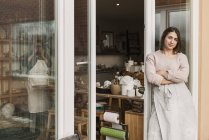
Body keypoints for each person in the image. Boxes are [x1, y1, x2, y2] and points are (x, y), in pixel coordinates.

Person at [145, 27, 196, 140]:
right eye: (170, 37)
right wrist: (174, 79)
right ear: (164, 37)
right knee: (157, 129)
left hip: (181, 98)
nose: (172, 41)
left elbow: (184, 76)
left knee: (180, 129)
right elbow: (151, 77)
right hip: (161, 98)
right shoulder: (152, 56)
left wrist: (164, 73)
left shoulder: (181, 57)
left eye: (175, 39)